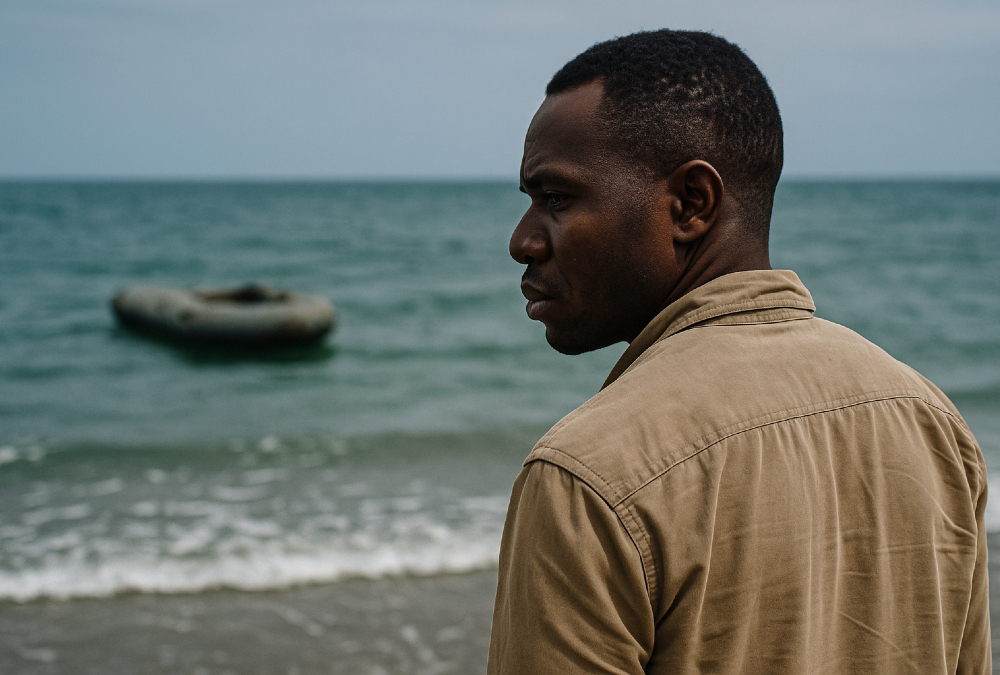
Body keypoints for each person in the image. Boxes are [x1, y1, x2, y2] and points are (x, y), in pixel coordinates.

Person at [488, 29, 990, 674]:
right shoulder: (928, 420)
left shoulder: (588, 475)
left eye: (555, 198)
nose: (522, 240)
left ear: (691, 205)